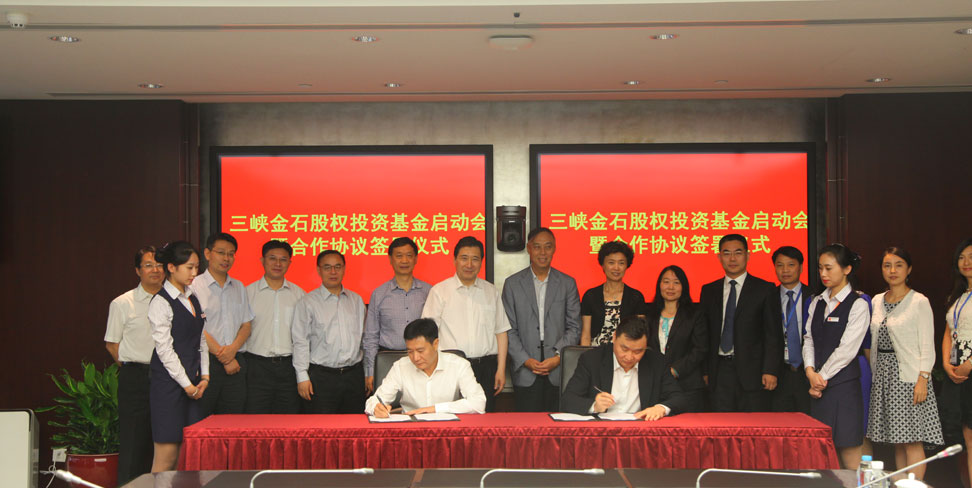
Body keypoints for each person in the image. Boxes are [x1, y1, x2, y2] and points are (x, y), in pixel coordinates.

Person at [866, 247, 943, 480]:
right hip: (884, 376)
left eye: (899, 265)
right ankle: (901, 484)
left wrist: (923, 379)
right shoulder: (877, 300)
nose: (892, 270)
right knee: (897, 441)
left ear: (909, 269)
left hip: (910, 378)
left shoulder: (919, 301)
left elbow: (927, 344)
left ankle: (914, 485)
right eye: (887, 265)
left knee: (912, 440)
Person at [422, 236, 510, 412]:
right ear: (455, 260)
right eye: (464, 258)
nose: (469, 264)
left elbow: (501, 332)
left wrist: (501, 369)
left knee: (485, 418)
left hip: (486, 368)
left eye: (475, 259)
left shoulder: (491, 291)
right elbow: (427, 336)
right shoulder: (439, 291)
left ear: (481, 262)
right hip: (451, 367)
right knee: (451, 418)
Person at [803, 243, 869, 469]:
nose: (823, 274)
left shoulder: (858, 304)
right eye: (820, 268)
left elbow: (847, 350)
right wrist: (810, 372)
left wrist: (820, 377)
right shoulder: (816, 302)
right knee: (820, 452)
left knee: (849, 448)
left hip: (843, 387)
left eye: (829, 268)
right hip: (818, 387)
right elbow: (808, 339)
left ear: (847, 269)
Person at [700, 234, 782, 412]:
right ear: (719, 256)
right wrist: (705, 370)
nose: (732, 259)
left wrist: (770, 370)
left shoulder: (764, 289)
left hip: (753, 372)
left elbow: (773, 334)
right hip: (719, 371)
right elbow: (705, 334)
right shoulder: (708, 290)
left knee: (751, 424)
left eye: (738, 253)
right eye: (726, 253)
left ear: (748, 255)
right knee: (720, 424)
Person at [503, 228, 582, 412]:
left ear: (554, 249)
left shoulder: (567, 283)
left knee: (557, 424)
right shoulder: (512, 284)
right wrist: (525, 360)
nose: (543, 252)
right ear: (529, 248)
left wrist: (558, 357)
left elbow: (574, 326)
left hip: (558, 368)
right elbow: (508, 329)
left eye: (548, 247)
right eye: (537, 247)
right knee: (527, 425)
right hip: (525, 369)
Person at [104, 246, 163, 485]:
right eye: (148, 265)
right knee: (133, 441)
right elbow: (112, 344)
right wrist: (137, 367)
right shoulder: (122, 303)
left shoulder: (175, 300)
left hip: (168, 378)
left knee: (164, 441)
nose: (155, 270)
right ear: (138, 270)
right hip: (136, 377)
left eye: (159, 265)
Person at [147, 241, 208, 472]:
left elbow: (201, 340)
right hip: (169, 386)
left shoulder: (192, 297)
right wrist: (187, 385)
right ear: (171, 267)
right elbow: (165, 351)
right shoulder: (161, 302)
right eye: (189, 267)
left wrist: (205, 376)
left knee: (186, 454)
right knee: (167, 455)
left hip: (193, 384)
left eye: (196, 267)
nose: (194, 273)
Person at [562, 316, 687, 419]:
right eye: (624, 349)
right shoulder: (592, 359)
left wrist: (661, 408)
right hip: (601, 430)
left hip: (640, 430)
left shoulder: (656, 362)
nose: (629, 357)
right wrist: (595, 406)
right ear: (614, 337)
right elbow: (568, 400)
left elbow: (679, 398)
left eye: (638, 351)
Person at [292, 250, 367, 413]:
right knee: (321, 426)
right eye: (327, 267)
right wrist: (302, 376)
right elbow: (300, 341)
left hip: (353, 375)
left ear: (344, 269)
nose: (333, 272)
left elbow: (363, 339)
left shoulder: (356, 300)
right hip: (321, 377)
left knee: (354, 425)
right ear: (318, 270)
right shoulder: (307, 302)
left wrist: (367, 372)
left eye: (337, 267)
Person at [365, 318, 486, 416]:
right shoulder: (400, 367)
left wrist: (435, 409)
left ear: (435, 344)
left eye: (420, 351)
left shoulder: (459, 365)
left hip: (447, 430)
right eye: (410, 351)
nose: (415, 357)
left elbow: (479, 403)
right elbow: (374, 401)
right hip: (411, 429)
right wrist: (376, 408)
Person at [190, 232, 254, 416]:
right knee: (202, 420)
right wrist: (224, 356)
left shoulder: (239, 287)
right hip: (205, 363)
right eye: (221, 253)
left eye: (231, 254)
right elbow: (196, 328)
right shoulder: (194, 286)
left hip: (236, 364)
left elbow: (246, 324)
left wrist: (232, 351)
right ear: (207, 254)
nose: (226, 258)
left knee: (233, 422)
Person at [243, 240, 306, 414]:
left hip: (288, 368)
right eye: (272, 258)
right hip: (256, 367)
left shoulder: (300, 295)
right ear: (262, 261)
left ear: (289, 263)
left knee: (289, 420)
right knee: (255, 419)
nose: (278, 264)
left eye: (283, 259)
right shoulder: (247, 293)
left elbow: (303, 337)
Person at [363, 237, 431, 395]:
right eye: (399, 256)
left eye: (409, 255)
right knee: (388, 406)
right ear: (390, 259)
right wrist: (371, 371)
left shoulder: (428, 291)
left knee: (420, 405)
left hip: (421, 361)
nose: (404, 260)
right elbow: (371, 337)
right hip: (387, 360)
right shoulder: (379, 294)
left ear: (416, 259)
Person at [645, 265, 707, 412]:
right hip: (657, 385)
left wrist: (675, 370)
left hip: (688, 385)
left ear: (683, 286)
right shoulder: (649, 314)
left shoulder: (695, 314)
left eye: (676, 282)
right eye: (666, 282)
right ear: (659, 285)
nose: (671, 287)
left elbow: (700, 349)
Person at [942, 238, 972, 482]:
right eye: (961, 257)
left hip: (968, 367)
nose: (966, 262)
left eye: (971, 257)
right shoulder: (959, 295)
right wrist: (945, 363)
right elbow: (948, 332)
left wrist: (969, 365)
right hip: (957, 370)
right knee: (968, 439)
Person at [771, 246, 813, 414]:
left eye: (791, 265)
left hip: (807, 373)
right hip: (779, 373)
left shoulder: (815, 296)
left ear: (801, 267)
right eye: (780, 265)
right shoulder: (768, 297)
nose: (785, 270)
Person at [581, 241, 645, 346]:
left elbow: (641, 334)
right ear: (603, 265)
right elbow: (586, 335)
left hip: (626, 352)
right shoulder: (591, 295)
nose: (616, 268)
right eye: (611, 262)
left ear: (627, 265)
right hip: (595, 352)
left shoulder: (636, 297)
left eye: (621, 263)